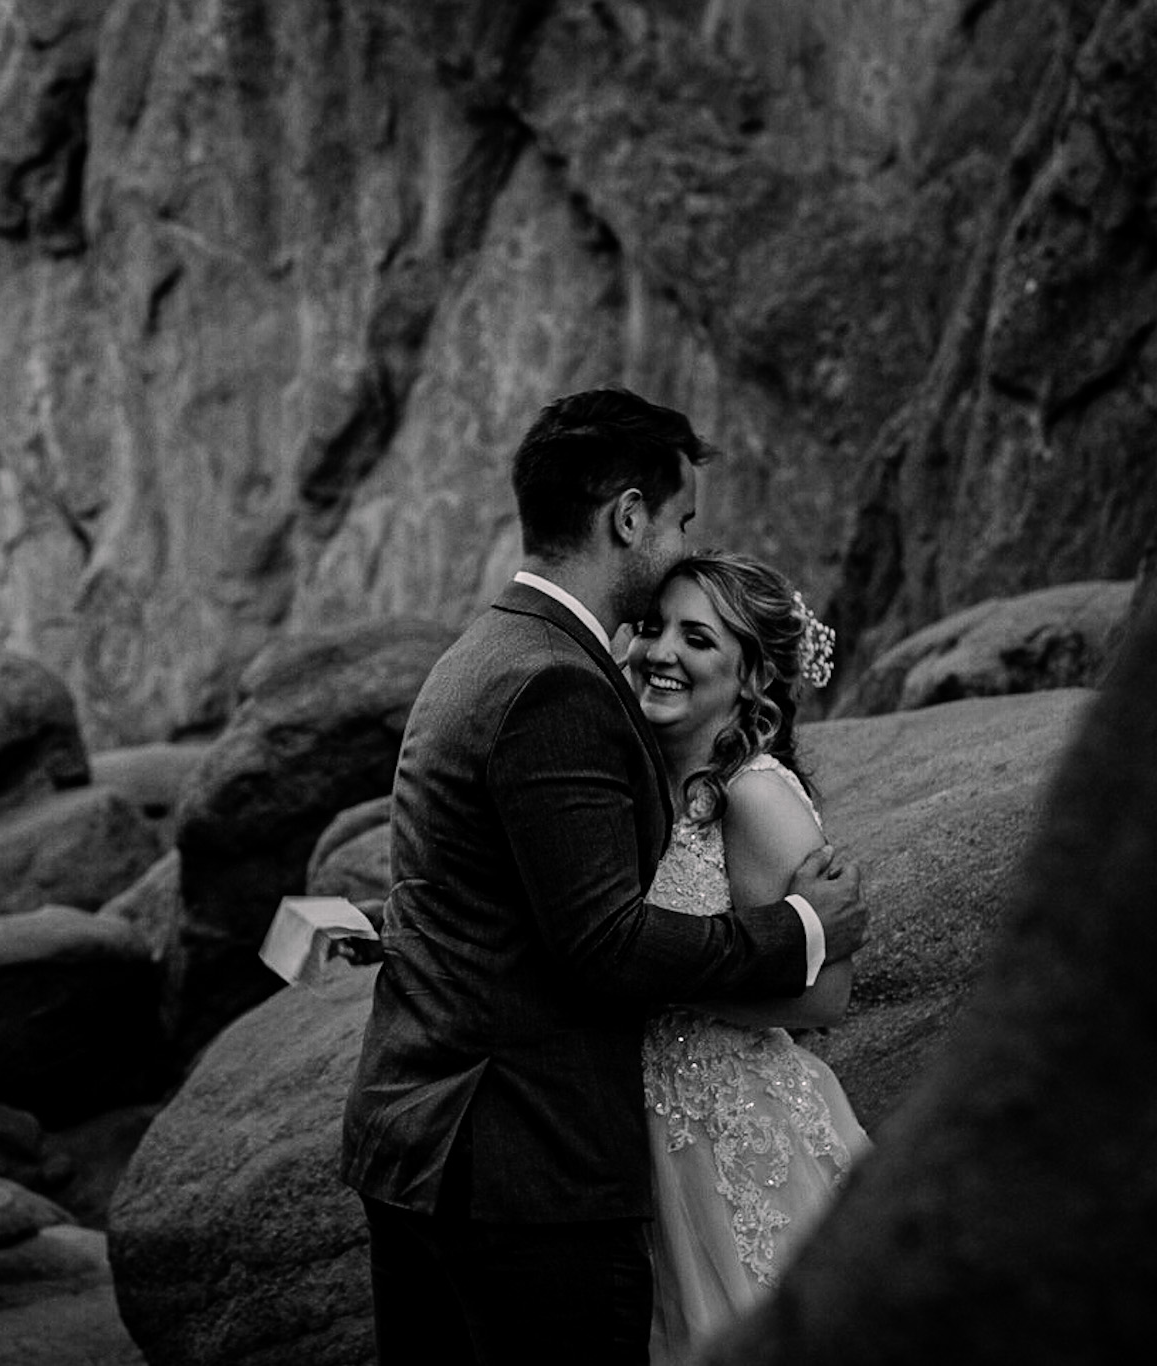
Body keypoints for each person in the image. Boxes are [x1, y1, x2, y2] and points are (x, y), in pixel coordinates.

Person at [339, 386, 867, 1366]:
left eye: (698, 637)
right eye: (679, 521)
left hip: (441, 1144)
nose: (680, 545)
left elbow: (507, 893)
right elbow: (601, 945)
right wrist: (801, 927)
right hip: (519, 1165)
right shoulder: (554, 681)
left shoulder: (483, 651)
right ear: (627, 517)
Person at [626, 551, 871, 1364]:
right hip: (648, 1139)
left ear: (751, 676)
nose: (662, 652)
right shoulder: (641, 780)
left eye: (697, 638)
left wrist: (648, 985)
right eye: (653, 627)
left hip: (739, 1132)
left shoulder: (757, 795)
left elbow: (825, 997)